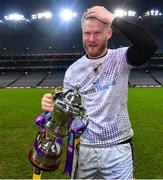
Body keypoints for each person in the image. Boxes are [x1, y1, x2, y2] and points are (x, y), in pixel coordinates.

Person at [41, 6, 157, 179]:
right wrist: (52, 107)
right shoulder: (73, 71)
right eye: (87, 33)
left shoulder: (120, 58)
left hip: (118, 148)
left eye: (97, 33)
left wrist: (113, 17)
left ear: (109, 33)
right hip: (84, 146)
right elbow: (68, 116)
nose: (92, 39)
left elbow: (149, 45)